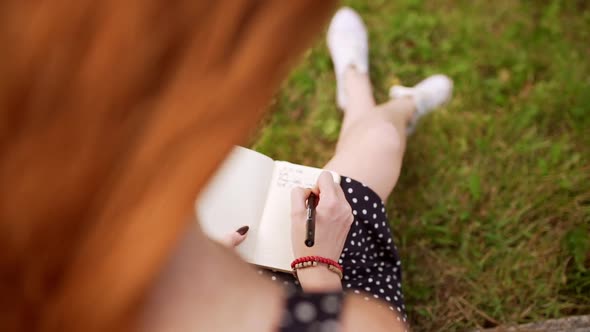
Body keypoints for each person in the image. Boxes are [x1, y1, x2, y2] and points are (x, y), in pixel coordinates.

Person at [143, 7, 452, 332]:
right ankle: (397, 100)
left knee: (375, 142)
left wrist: (208, 271)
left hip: (234, 278)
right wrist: (319, 267)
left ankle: (358, 89)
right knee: (381, 137)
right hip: (327, 293)